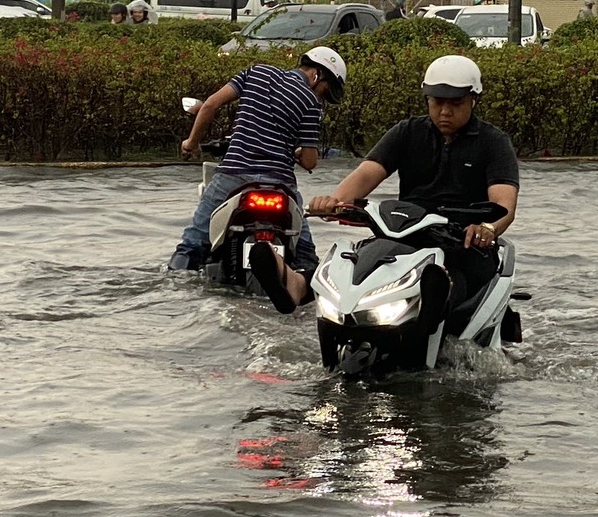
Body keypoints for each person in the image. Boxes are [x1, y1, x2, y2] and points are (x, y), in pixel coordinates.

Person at [298, 54, 520, 320]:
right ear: (427, 99)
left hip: (464, 246)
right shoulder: (408, 132)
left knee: (451, 281)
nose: (445, 111)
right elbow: (367, 174)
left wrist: (486, 228)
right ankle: (301, 290)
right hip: (404, 238)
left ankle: (436, 308)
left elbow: (504, 204)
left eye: (455, 103)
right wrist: (333, 202)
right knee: (356, 265)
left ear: (474, 100)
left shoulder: (494, 142)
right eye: (437, 102)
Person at [170, 46, 347, 296]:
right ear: (317, 75)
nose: (322, 99)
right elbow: (310, 161)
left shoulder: (257, 73)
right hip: (280, 185)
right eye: (325, 93)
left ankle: (172, 298)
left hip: (233, 176)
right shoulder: (310, 103)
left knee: (193, 245)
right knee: (305, 255)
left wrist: (191, 143)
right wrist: (293, 152)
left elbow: (209, 106)